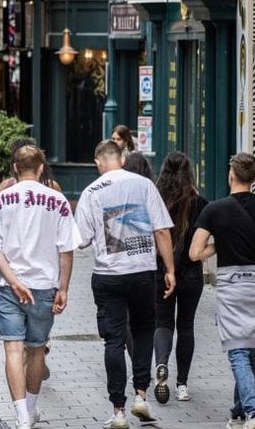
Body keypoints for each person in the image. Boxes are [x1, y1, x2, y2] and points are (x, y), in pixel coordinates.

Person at [74, 140, 176, 429]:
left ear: (98, 162)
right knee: (144, 331)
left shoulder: (90, 192)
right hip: (143, 272)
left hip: (107, 276)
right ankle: (141, 396)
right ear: (121, 158)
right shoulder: (144, 185)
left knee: (114, 341)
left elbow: (80, 239)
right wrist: (169, 269)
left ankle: (118, 410)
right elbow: (162, 231)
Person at [0, 145, 81, 429]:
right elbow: (67, 249)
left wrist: (12, 280)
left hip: (8, 287)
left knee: (13, 350)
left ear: (14, 168)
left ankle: (21, 413)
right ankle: (33, 408)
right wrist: (64, 288)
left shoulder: (0, 200)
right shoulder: (58, 201)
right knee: (36, 348)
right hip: (43, 285)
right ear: (40, 169)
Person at [189, 153, 255, 429]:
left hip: (232, 285)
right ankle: (238, 412)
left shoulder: (214, 210)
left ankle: (254, 411)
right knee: (249, 349)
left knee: (238, 351)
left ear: (231, 175)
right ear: (254, 178)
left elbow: (195, 253)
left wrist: (219, 244)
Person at [152, 151, 208, 404]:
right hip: (191, 273)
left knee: (163, 322)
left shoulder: (156, 199)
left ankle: (161, 365)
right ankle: (182, 384)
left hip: (161, 270)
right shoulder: (199, 203)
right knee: (186, 326)